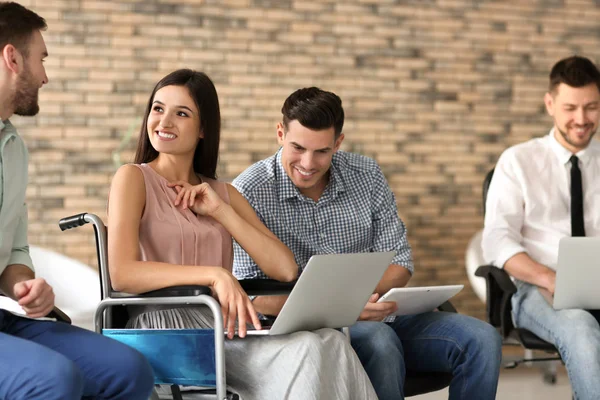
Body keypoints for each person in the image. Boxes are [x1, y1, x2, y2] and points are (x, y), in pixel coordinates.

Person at [107, 68, 378, 400]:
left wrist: (220, 210)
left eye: (181, 113)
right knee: (306, 349)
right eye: (158, 109)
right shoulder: (133, 178)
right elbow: (121, 273)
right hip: (169, 334)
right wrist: (216, 276)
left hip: (224, 331)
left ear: (204, 128)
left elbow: (284, 269)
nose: (164, 122)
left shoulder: (224, 193)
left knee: (330, 340)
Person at [231, 87, 503, 400]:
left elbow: (400, 264)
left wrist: (358, 306)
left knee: (482, 338)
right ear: (280, 133)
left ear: (338, 143)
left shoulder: (367, 175)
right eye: (298, 148)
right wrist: (347, 308)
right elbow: (255, 296)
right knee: (378, 339)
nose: (308, 162)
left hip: (381, 314)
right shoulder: (249, 190)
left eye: (322, 151)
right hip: (306, 332)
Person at [0, 2, 155, 399]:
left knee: (128, 369)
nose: (45, 76)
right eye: (41, 59)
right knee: (53, 379)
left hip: (4, 317)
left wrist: (27, 287)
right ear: (12, 58)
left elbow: (15, 248)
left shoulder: (14, 149)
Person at [483, 55, 600, 399]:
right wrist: (549, 278)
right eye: (570, 108)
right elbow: (497, 241)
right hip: (537, 287)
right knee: (580, 328)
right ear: (550, 104)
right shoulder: (518, 162)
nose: (581, 119)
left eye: (591, 107)